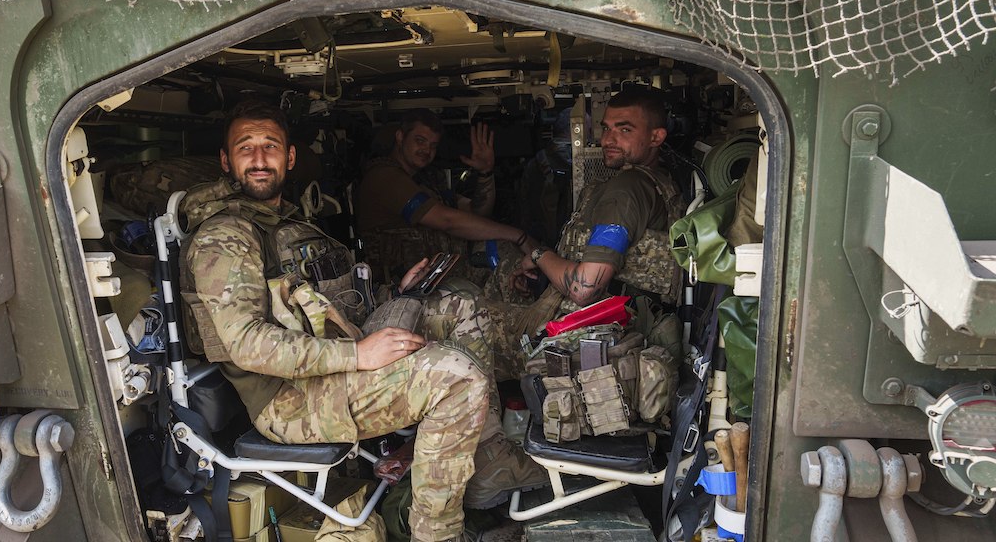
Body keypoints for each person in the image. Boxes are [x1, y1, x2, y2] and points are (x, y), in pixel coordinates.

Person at [181, 100, 544, 542]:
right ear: (227, 160)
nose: (259, 159)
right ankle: (436, 534)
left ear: (289, 157)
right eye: (245, 148)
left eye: (270, 146)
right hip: (288, 400)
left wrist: (396, 296)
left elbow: (325, 310)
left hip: (331, 368)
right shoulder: (226, 236)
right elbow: (247, 344)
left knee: (460, 306)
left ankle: (486, 463)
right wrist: (359, 353)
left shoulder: (286, 222)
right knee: (457, 378)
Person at [486, 87, 687, 374]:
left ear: (656, 137)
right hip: (617, 325)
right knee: (503, 269)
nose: (608, 140)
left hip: (583, 337)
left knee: (460, 314)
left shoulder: (626, 191)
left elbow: (583, 289)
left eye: (624, 130)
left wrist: (539, 254)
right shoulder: (660, 182)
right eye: (606, 128)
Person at [355, 109, 538, 286]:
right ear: (400, 137)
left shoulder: (424, 181)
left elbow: (477, 214)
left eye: (433, 145)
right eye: (420, 141)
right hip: (401, 290)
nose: (427, 150)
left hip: (437, 283)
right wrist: (519, 236)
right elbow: (447, 221)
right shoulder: (385, 178)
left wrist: (485, 173)